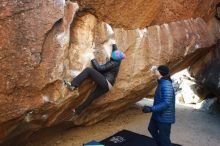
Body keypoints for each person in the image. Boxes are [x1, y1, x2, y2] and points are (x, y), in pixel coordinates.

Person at [64, 42, 125, 115]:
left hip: (106, 82)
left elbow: (99, 68)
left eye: (113, 54)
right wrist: (114, 44)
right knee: (91, 97)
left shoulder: (113, 63)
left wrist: (92, 59)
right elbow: (115, 52)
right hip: (109, 86)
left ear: (114, 57)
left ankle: (73, 85)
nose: (112, 54)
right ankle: (77, 111)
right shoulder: (118, 60)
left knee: (88, 70)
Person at [142, 65, 175, 146]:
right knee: (151, 129)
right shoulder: (162, 82)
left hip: (164, 117)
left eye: (157, 70)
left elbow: (167, 103)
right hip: (157, 114)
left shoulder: (166, 84)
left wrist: (151, 109)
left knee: (165, 139)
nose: (155, 71)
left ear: (160, 73)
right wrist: (154, 68)